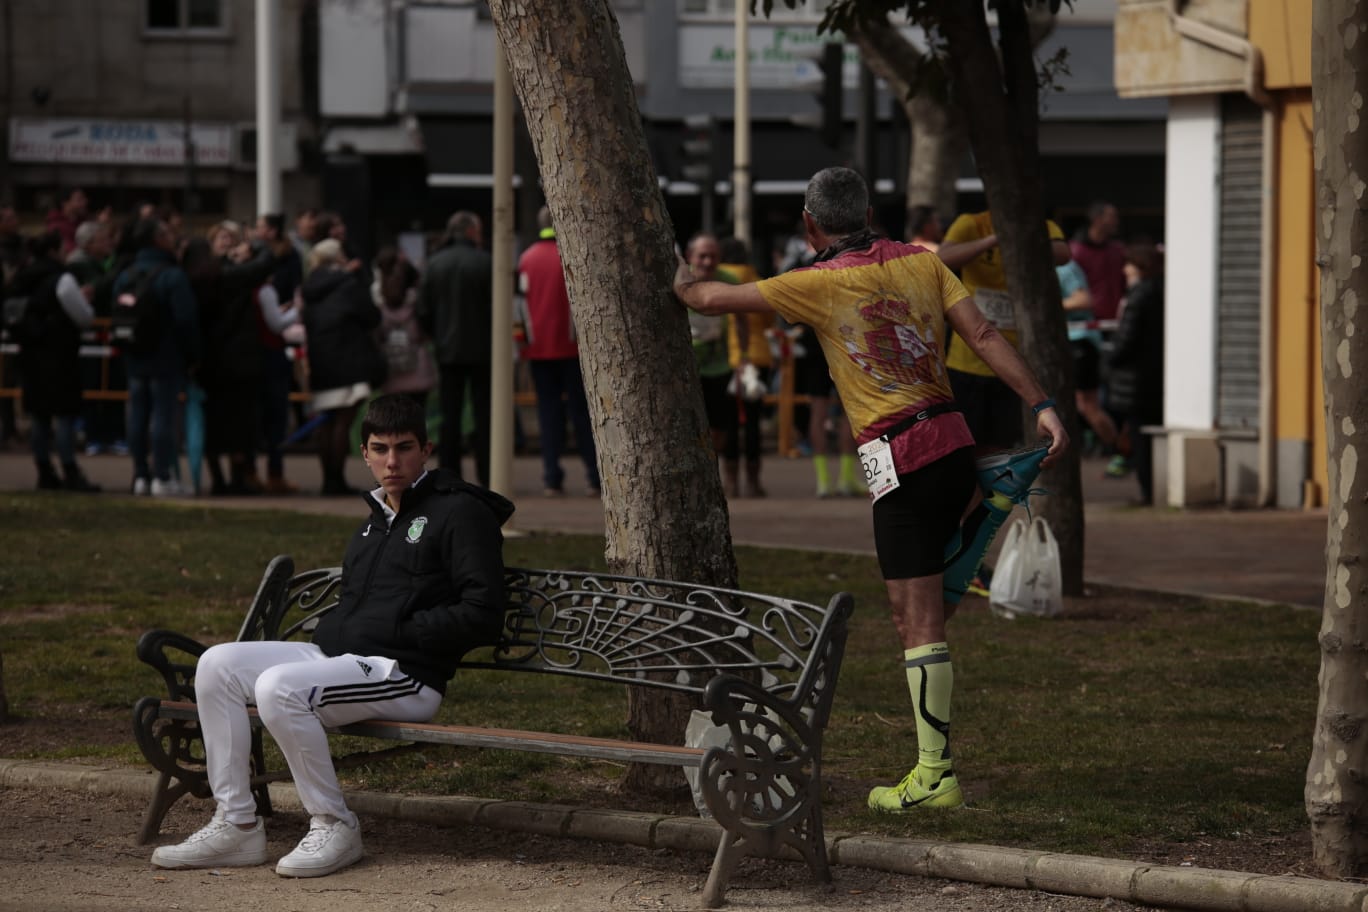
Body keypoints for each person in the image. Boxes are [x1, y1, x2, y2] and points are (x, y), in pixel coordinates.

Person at [675, 167, 1068, 813]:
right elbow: (986, 335)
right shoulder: (921, 262)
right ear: (866, 211)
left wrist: (679, 275)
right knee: (925, 608)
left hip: (900, 459)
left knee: (914, 621)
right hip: (952, 442)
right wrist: (1044, 406)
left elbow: (710, 301)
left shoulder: (817, 283)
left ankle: (934, 775)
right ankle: (988, 502)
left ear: (809, 224)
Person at [149, 393, 514, 877]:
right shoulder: (373, 523)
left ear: (426, 449)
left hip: (405, 674)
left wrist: (406, 632)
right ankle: (236, 824)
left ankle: (335, 824)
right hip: (343, 657)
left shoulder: (460, 514)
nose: (392, 461)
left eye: (404, 448)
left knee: (280, 688)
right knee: (218, 665)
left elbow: (484, 613)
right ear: (363, 453)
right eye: (380, 449)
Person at [936, 209, 1071, 455]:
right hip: (966, 360)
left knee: (1000, 445)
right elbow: (942, 257)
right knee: (966, 443)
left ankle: (996, 492)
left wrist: (1021, 238)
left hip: (1011, 360)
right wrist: (992, 240)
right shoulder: (971, 224)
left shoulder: (1039, 223)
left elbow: (1064, 254)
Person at [515, 206, 600, 497]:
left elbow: (519, 306)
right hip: (573, 348)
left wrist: (523, 343)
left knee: (548, 413)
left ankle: (552, 477)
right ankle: (594, 476)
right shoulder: (573, 256)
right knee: (582, 414)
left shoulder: (526, 259)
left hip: (538, 349)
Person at [115, 217, 200, 497]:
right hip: (166, 356)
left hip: (134, 353)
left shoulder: (127, 274)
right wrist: (192, 354)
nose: (172, 236)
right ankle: (162, 475)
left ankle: (141, 475)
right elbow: (186, 319)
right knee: (164, 415)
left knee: (137, 413)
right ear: (157, 239)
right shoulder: (172, 275)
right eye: (166, 232)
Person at [11, 230, 100, 491]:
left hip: (30, 354)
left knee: (39, 416)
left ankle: (44, 469)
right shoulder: (61, 279)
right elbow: (83, 317)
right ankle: (70, 469)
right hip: (58, 355)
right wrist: (86, 302)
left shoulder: (23, 277)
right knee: (64, 415)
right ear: (53, 251)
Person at [301, 238, 386, 496]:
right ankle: (336, 480)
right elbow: (371, 316)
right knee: (343, 421)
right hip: (349, 357)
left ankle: (328, 479)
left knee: (326, 423)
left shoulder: (309, 287)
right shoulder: (349, 283)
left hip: (321, 360)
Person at [419, 211, 494, 487]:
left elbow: (423, 309)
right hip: (484, 349)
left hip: (447, 349)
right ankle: (488, 472)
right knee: (485, 414)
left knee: (449, 415)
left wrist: (436, 334)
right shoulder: (486, 262)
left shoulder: (434, 264)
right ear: (472, 231)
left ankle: (450, 472)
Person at [1107, 241, 1165, 506]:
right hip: (1155, 375)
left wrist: (1111, 358)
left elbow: (1126, 339)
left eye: (1128, 264)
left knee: (1139, 436)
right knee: (1146, 435)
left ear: (1139, 266)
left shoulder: (1138, 295)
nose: (1124, 270)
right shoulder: (1162, 290)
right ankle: (1151, 488)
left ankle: (1147, 492)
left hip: (1136, 379)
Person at [719, 237, 773, 498]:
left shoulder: (716, 281)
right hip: (758, 357)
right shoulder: (757, 280)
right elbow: (767, 318)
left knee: (729, 422)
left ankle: (730, 481)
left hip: (727, 359)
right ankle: (754, 481)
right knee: (752, 421)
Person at [683, 232, 737, 491]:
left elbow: (742, 323)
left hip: (720, 367)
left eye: (713, 256)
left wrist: (743, 358)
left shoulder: (730, 282)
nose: (707, 261)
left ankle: (714, 477)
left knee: (719, 427)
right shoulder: (679, 282)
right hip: (687, 369)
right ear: (690, 257)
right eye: (702, 256)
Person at [1056, 258, 1117, 454]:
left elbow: (1083, 300)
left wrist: (1047, 304)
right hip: (1069, 341)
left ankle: (1122, 451)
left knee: (1088, 405)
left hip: (1080, 341)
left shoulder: (1064, 267)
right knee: (1076, 403)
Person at [1069, 201, 1127, 322]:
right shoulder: (1075, 251)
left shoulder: (1117, 250)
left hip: (1116, 318)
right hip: (1087, 321)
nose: (1116, 222)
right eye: (1112, 217)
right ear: (1097, 219)